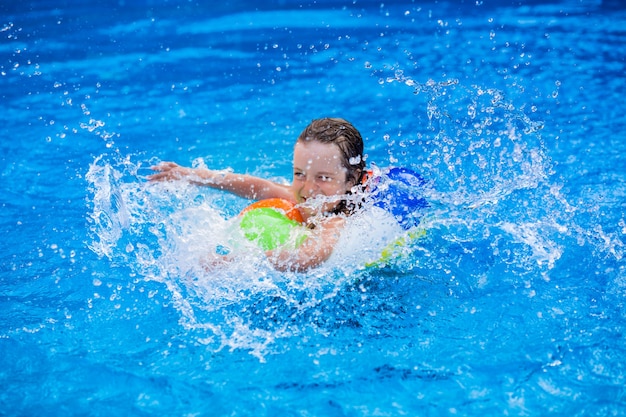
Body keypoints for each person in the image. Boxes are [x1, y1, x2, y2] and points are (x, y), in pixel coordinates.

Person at [149, 117, 367, 271]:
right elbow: (257, 186)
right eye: (300, 174)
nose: (308, 188)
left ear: (351, 180)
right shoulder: (304, 198)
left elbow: (308, 258)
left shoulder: (337, 220)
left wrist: (233, 261)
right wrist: (190, 175)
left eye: (323, 178)